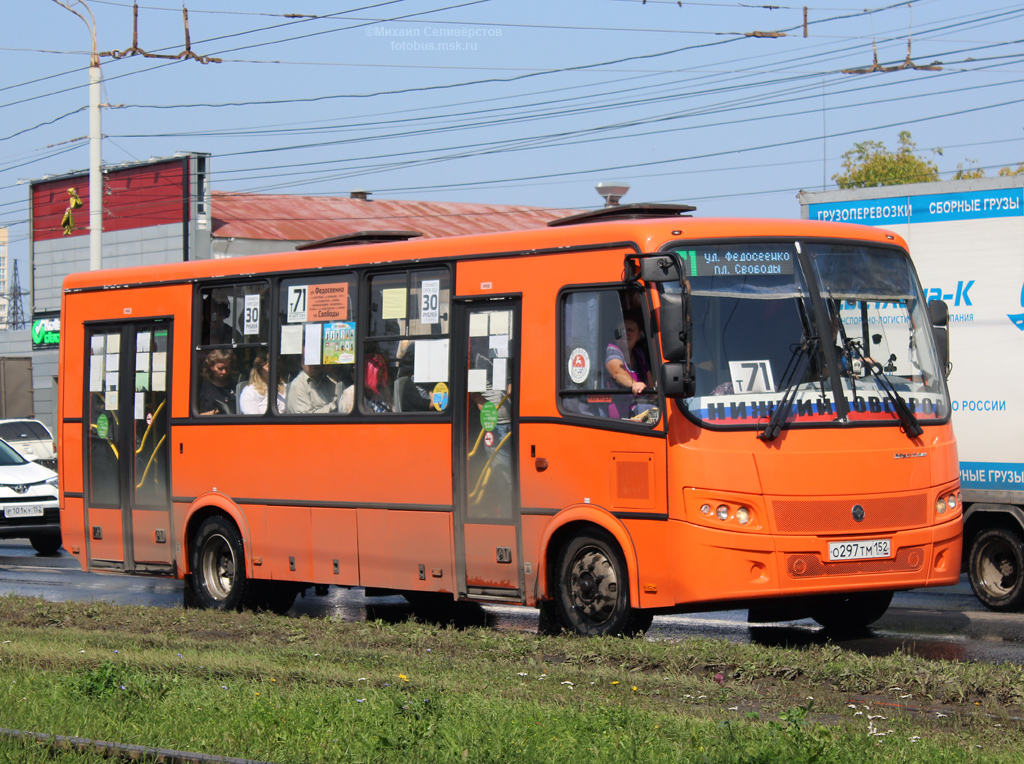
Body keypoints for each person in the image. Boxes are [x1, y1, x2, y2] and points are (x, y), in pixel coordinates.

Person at [604, 314, 653, 418]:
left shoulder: (640, 355)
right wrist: (634, 384)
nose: (625, 334)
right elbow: (617, 372)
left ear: (639, 335)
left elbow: (652, 388)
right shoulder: (612, 350)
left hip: (640, 415)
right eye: (621, 330)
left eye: (630, 330)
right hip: (621, 422)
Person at [199, 349, 237, 415]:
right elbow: (197, 416)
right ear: (211, 366)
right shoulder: (203, 388)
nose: (224, 372)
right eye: (220, 368)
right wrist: (218, 411)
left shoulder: (234, 386)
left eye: (227, 368)